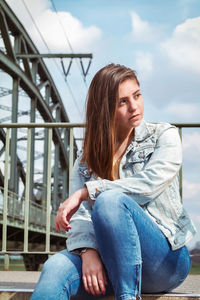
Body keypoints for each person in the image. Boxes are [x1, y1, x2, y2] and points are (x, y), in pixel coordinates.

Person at [31, 63, 196, 300]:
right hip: (110, 262)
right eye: (122, 102)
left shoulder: (163, 136)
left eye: (137, 96)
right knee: (55, 268)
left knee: (109, 200)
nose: (134, 106)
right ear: (105, 108)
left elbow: (148, 186)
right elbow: (80, 217)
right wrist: (87, 252)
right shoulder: (86, 159)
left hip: (165, 261)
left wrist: (86, 192)